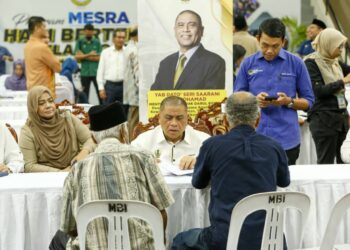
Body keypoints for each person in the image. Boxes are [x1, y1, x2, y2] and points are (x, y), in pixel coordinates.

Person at [171, 91, 290, 250]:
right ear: (258, 119)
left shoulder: (212, 146)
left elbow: (198, 183)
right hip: (270, 240)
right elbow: (284, 181)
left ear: (226, 120)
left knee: (180, 240)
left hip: (223, 240)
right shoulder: (274, 146)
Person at [50, 101, 174, 250]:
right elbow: (161, 213)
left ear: (94, 138)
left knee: (59, 239)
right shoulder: (144, 157)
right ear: (123, 131)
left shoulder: (77, 170)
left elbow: (69, 226)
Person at [234, 18, 315, 165]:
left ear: (283, 41)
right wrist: (254, 100)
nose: (269, 51)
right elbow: (236, 99)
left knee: (286, 185)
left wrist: (288, 102)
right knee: (257, 184)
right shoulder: (248, 64)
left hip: (286, 139)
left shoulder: (296, 64)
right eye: (264, 45)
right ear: (257, 39)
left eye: (275, 46)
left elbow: (309, 102)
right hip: (254, 138)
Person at [19, 86, 95, 172]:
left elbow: (90, 139)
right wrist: (60, 173)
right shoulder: (27, 131)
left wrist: (84, 152)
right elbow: (29, 166)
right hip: (46, 179)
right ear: (33, 107)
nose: (48, 106)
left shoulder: (67, 118)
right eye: (41, 103)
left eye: (50, 101)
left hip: (75, 170)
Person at [304, 28, 350, 164]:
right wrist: (343, 81)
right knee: (326, 164)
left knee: (344, 161)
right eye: (339, 46)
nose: (341, 50)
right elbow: (318, 91)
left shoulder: (334, 61)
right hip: (323, 120)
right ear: (328, 44)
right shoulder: (311, 63)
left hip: (340, 119)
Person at [150, 10, 225, 90]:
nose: (185, 29)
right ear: (175, 30)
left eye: (192, 25)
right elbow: (153, 96)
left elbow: (213, 100)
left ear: (201, 30)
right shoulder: (165, 63)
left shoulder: (215, 62)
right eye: (181, 25)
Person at [132, 96, 210, 170]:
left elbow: (218, 165)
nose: (174, 123)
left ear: (187, 118)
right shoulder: (143, 141)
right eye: (168, 118)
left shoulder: (204, 140)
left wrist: (200, 161)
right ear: (159, 118)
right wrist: (142, 164)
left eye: (179, 118)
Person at [24, 16, 61, 96]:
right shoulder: (41, 47)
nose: (46, 29)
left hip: (32, 90)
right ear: (37, 28)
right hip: (44, 93)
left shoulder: (28, 45)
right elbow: (58, 68)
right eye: (44, 26)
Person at [97, 29, 126, 105]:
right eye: (119, 37)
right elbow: (100, 72)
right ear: (113, 39)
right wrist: (101, 89)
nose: (121, 39)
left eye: (123, 37)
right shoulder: (105, 52)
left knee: (123, 111)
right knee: (107, 111)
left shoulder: (128, 52)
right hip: (109, 87)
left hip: (124, 86)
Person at [74, 24, 102, 104]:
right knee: (84, 95)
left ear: (93, 32)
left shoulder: (97, 42)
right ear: (84, 31)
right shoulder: (80, 41)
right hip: (84, 73)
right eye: (87, 31)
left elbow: (99, 58)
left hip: (96, 72)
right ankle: (85, 114)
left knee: (100, 94)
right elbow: (77, 57)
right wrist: (90, 54)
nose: (89, 32)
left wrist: (84, 55)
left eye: (90, 31)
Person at [124, 26, 139, 140]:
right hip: (136, 91)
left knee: (133, 118)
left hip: (132, 89)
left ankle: (131, 141)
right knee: (134, 119)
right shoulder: (134, 50)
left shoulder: (129, 48)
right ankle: (131, 142)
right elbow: (138, 73)